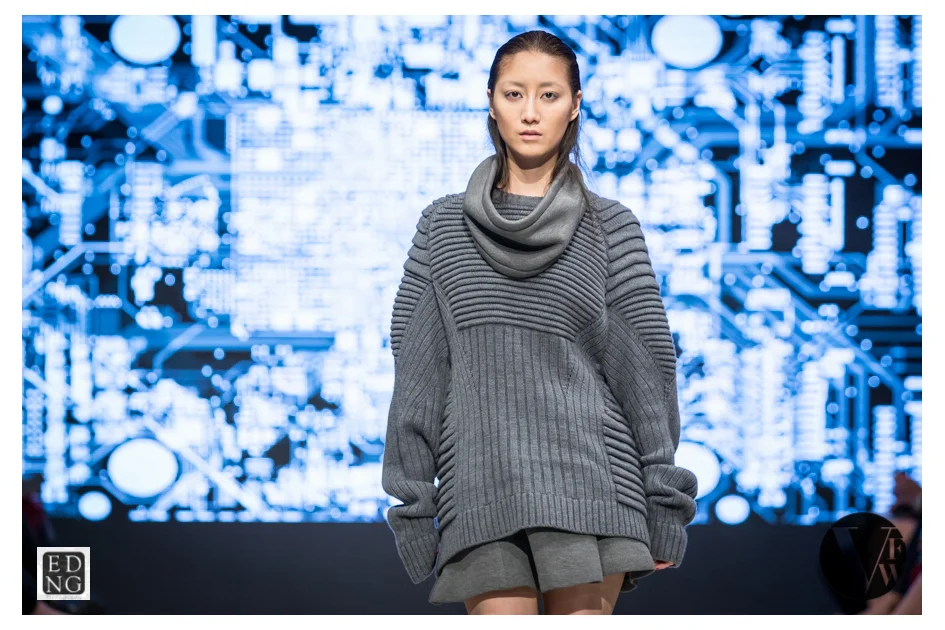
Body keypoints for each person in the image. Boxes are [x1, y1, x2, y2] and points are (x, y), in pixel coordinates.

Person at [381, 29, 697, 615]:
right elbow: (417, 375)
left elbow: (647, 375)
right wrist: (414, 509)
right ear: (491, 102)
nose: (530, 112)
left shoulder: (610, 227)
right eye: (514, 93)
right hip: (479, 491)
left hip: (595, 490)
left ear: (574, 105)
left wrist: (664, 504)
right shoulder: (442, 228)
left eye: (548, 95)